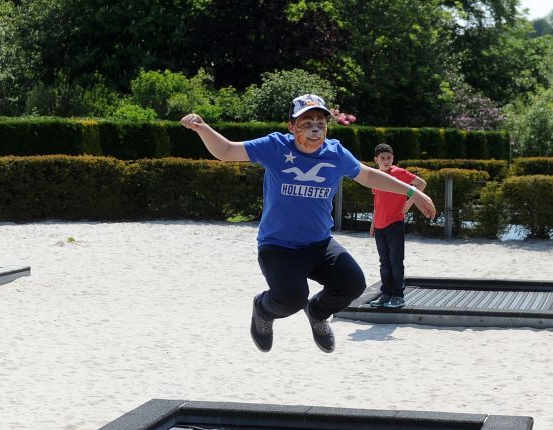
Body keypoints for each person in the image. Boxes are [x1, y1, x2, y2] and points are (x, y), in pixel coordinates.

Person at [181, 94, 436, 353]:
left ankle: (317, 313)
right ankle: (262, 309)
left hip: (318, 244)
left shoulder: (335, 153)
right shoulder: (275, 147)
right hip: (278, 246)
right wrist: (202, 127)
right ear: (291, 127)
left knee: (353, 283)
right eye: (306, 123)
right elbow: (226, 151)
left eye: (320, 124)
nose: (315, 130)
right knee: (292, 298)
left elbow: (368, 175)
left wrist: (413, 192)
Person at [368, 143, 428, 308]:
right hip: (379, 225)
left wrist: (409, 203)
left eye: (389, 158)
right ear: (376, 160)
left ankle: (398, 296)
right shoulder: (375, 175)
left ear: (393, 159)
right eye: (382, 158)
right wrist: (373, 222)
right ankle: (386, 294)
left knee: (396, 261)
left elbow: (421, 184)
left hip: (395, 223)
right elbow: (377, 201)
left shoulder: (399, 173)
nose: (386, 161)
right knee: (384, 262)